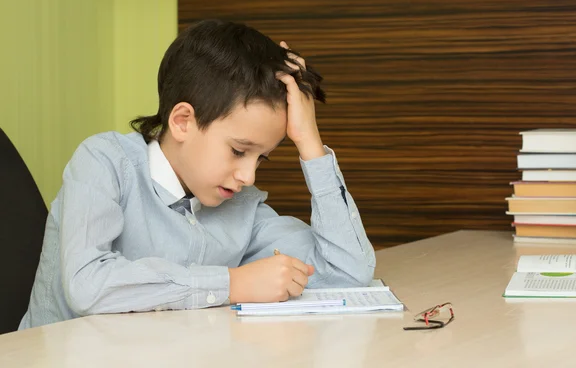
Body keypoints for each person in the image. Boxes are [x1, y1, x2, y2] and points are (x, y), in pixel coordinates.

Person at [19, 19, 375, 329]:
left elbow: (348, 272)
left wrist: (310, 144)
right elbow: (89, 284)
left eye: (261, 158)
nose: (249, 176)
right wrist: (232, 283)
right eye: (238, 151)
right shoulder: (103, 162)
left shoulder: (241, 207)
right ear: (183, 121)